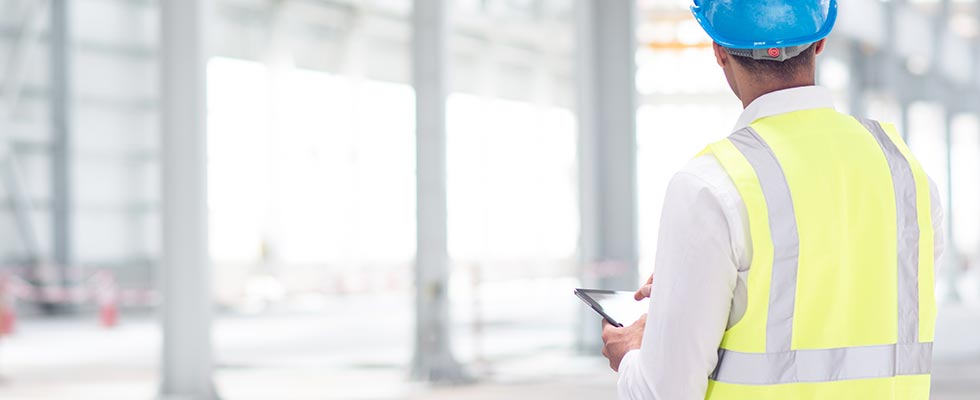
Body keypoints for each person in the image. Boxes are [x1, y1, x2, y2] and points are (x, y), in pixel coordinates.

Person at [600, 1, 944, 399]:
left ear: (718, 51)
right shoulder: (906, 174)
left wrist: (631, 353)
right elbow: (849, 292)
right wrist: (704, 285)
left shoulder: (711, 185)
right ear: (819, 42)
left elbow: (665, 393)